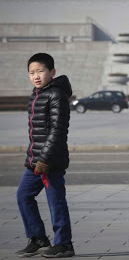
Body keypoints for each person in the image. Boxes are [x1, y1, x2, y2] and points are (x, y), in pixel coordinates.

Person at [16, 53, 75, 258]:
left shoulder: (56, 95)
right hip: (35, 159)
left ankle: (64, 244)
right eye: (32, 72)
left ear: (52, 72)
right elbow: (37, 132)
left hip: (50, 161)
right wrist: (33, 157)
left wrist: (44, 159)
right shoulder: (37, 94)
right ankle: (38, 238)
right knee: (23, 195)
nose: (36, 76)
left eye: (40, 71)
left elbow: (57, 130)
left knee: (55, 200)